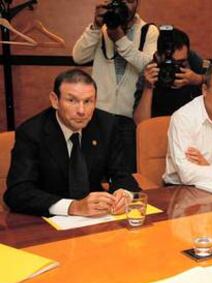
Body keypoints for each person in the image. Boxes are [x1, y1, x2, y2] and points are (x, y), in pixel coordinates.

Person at [4, 69, 140, 217]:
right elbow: (18, 192)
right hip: (47, 221)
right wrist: (72, 207)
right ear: (55, 100)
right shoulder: (31, 132)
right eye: (72, 100)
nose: (82, 111)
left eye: (88, 101)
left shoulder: (106, 125)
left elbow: (122, 174)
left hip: (96, 219)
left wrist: (124, 194)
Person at [73, 0, 158, 172]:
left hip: (128, 119)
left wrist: (120, 39)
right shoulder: (102, 29)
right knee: (93, 173)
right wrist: (95, 28)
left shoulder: (148, 31)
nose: (125, 5)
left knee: (125, 175)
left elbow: (148, 65)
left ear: (137, 3)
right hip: (97, 115)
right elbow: (78, 57)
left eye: (130, 1)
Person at [134, 27, 204, 124]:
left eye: (181, 62)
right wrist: (148, 88)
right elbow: (141, 123)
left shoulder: (194, 62)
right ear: (158, 57)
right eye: (171, 63)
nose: (176, 67)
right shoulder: (150, 72)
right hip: (160, 129)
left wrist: (197, 79)